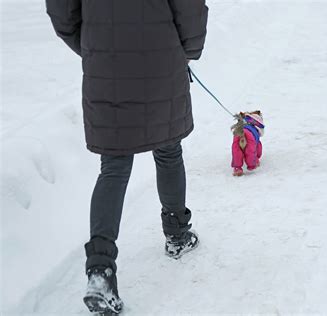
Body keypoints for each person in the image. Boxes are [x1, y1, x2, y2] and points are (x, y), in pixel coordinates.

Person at [45, 0, 208, 314]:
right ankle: (176, 234)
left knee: (115, 165)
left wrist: (95, 42)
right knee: (169, 148)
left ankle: (100, 272)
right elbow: (190, 7)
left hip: (105, 62)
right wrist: (187, 47)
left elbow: (61, 9)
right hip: (161, 55)